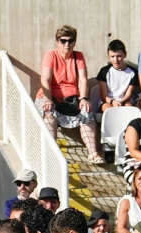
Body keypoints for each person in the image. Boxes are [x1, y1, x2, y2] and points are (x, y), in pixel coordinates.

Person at [34, 25, 102, 164]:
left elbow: (83, 79)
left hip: (72, 99)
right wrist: (48, 98)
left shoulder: (79, 56)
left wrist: (84, 98)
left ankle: (93, 153)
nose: (67, 44)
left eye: (70, 41)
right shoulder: (51, 55)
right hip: (50, 96)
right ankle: (51, 154)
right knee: (49, 113)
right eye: (63, 41)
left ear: (74, 42)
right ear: (57, 41)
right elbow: (45, 79)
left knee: (87, 111)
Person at [96, 40, 138, 110]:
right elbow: (104, 96)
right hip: (108, 101)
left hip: (124, 100)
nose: (116, 60)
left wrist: (121, 102)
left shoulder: (133, 73)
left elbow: (128, 94)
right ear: (109, 56)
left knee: (129, 107)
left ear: (125, 55)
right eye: (112, 56)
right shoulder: (104, 71)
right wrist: (113, 102)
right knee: (108, 109)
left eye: (119, 56)